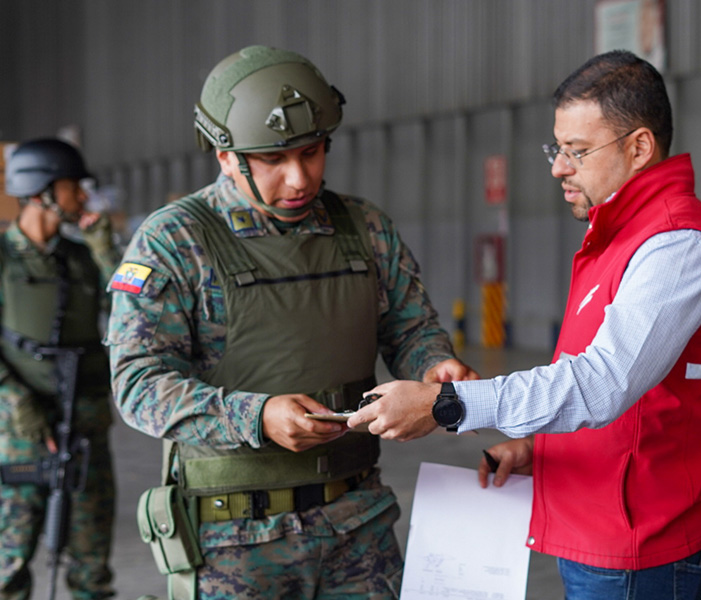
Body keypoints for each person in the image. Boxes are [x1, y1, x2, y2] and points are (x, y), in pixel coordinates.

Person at [349, 50, 701, 600]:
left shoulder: (677, 247)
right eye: (557, 149)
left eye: (578, 152)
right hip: (600, 532)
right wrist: (540, 450)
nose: (559, 167)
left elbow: (603, 382)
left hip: (640, 551)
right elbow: (629, 397)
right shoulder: (620, 237)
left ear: (639, 148)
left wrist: (445, 405)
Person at [105, 45, 476, 599]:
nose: (299, 178)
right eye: (274, 160)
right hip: (233, 540)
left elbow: (408, 327)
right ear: (226, 156)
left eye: (312, 152)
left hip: (358, 523)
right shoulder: (175, 241)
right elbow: (137, 384)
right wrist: (256, 416)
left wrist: (432, 365)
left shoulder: (364, 228)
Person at [0, 139, 119, 599]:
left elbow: (132, 308)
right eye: (75, 187)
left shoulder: (85, 258)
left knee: (92, 563)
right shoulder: (4, 258)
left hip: (86, 422)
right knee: (10, 561)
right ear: (44, 190)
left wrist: (105, 249)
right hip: (22, 431)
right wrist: (17, 403)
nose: (83, 197)